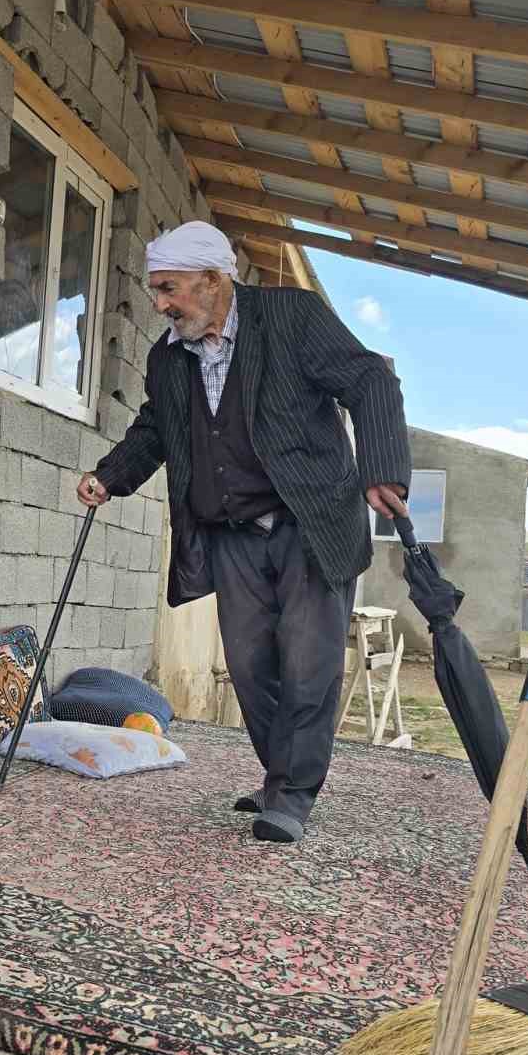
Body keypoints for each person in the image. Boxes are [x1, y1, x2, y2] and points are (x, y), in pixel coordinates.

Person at [79, 222, 410, 844]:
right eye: (154, 290)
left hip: (310, 522)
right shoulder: (168, 357)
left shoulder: (291, 319)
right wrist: (109, 477)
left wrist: (383, 469)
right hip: (231, 532)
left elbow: (369, 379)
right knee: (253, 666)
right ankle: (279, 774)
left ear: (213, 279)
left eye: (168, 288)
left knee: (309, 663)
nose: (159, 303)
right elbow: (156, 429)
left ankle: (291, 794)